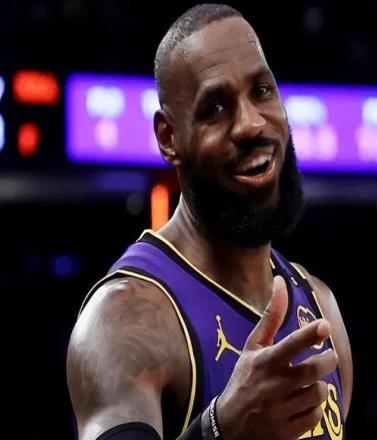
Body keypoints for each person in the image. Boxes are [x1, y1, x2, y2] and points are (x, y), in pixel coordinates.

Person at [66, 4, 352, 439]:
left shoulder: (320, 306)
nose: (250, 124)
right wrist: (221, 428)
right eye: (215, 108)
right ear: (169, 138)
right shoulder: (122, 320)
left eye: (262, 91)